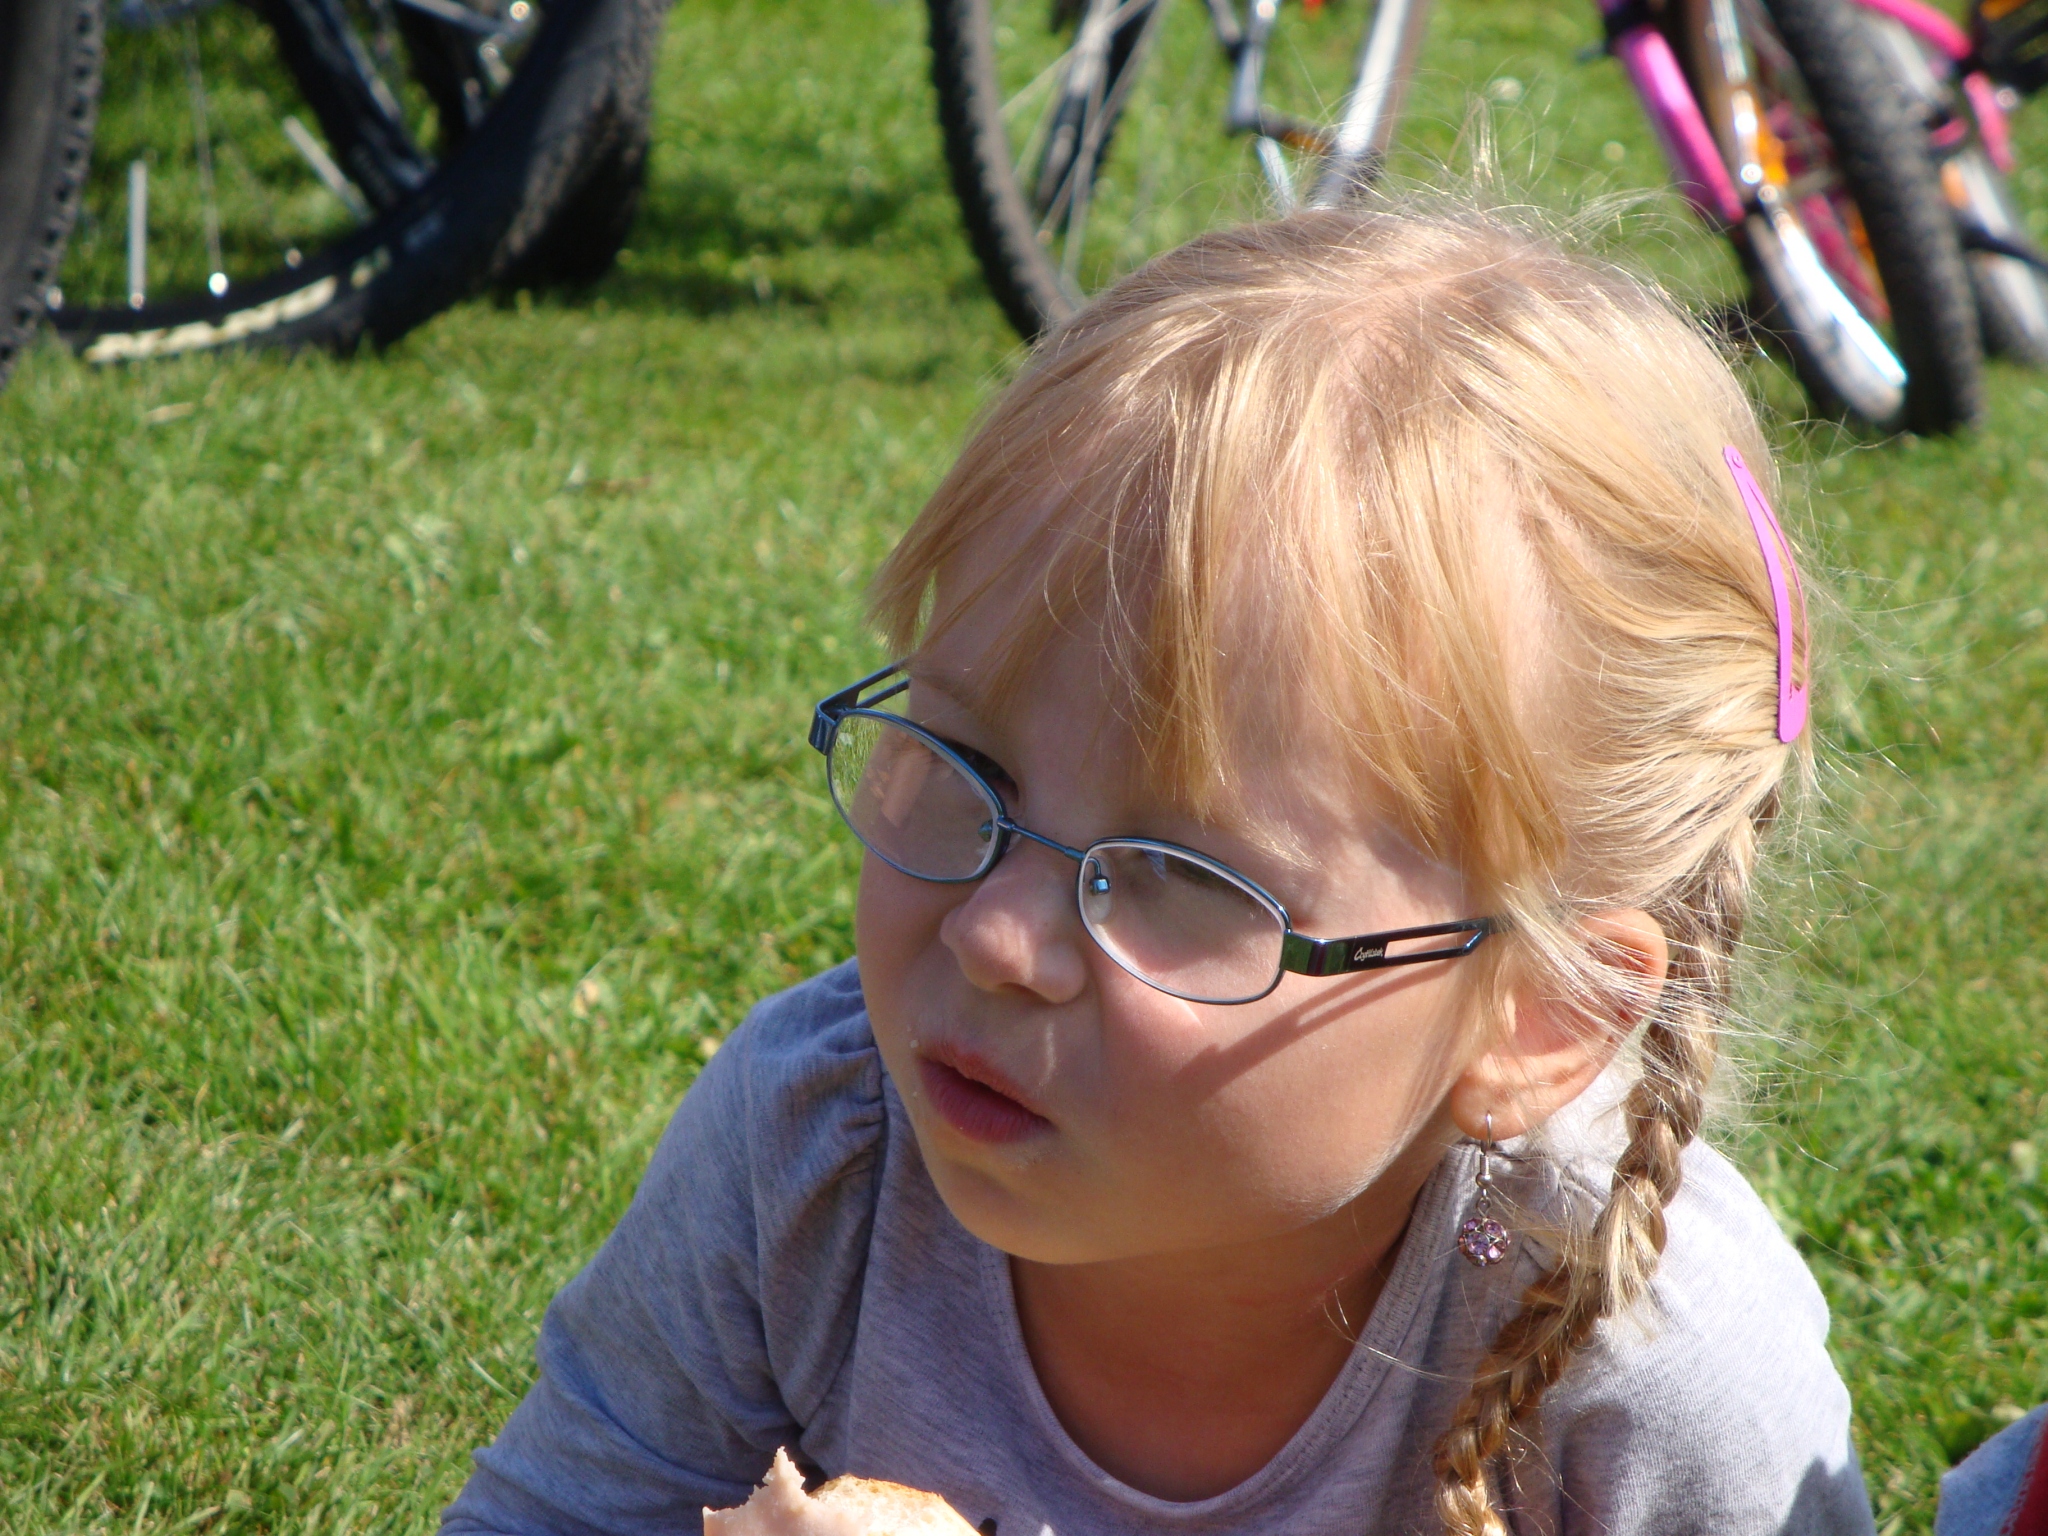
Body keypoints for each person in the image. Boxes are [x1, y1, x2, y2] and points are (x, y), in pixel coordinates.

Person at [441, 204, 1876, 1536]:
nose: (999, 937)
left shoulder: (1655, 1374)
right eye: (967, 766)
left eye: (1184, 874)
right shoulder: (815, 1159)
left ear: (1541, 1017)